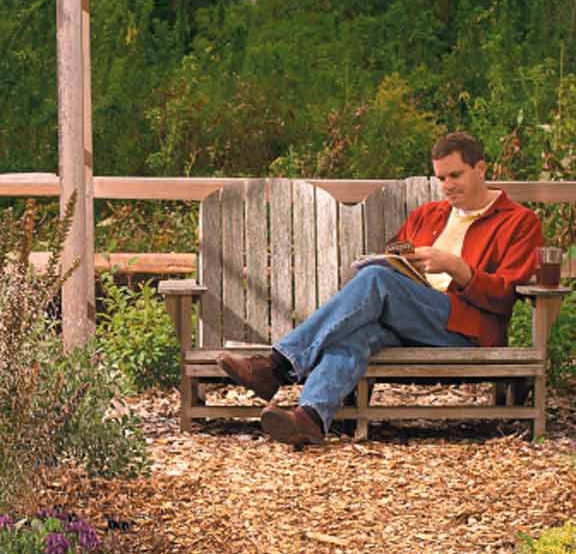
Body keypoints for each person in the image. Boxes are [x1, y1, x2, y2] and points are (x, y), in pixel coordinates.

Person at [218, 132, 543, 445]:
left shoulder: (519, 221)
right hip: (408, 321)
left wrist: (456, 267)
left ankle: (277, 366)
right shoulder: (429, 215)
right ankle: (311, 418)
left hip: (465, 328)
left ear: (481, 168)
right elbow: (394, 252)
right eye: (441, 178)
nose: (447, 186)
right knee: (357, 333)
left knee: (376, 279)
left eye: (455, 175)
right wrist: (400, 260)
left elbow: (505, 295)